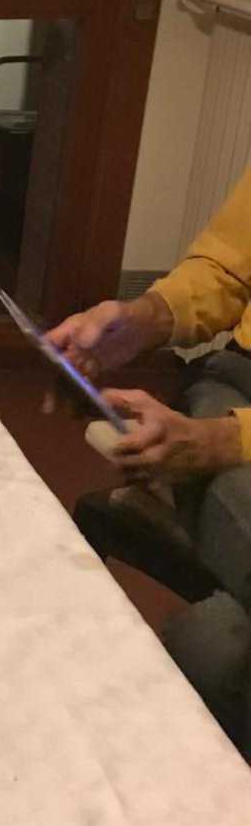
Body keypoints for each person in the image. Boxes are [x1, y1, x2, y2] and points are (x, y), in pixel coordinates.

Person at [47, 167, 251, 750]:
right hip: (240, 383)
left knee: (210, 649)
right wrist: (144, 320)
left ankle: (190, 516)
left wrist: (224, 442)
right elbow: (227, 269)